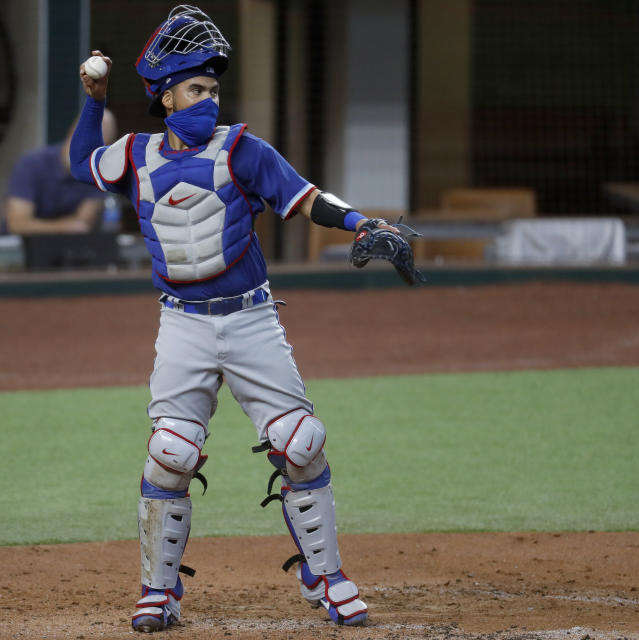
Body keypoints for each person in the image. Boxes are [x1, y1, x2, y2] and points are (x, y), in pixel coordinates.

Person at [69, 5, 409, 632]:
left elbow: (308, 197)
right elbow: (81, 163)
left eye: (214, 89)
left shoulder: (243, 150)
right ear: (165, 95)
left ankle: (325, 576)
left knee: (301, 443)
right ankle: (158, 591)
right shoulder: (135, 156)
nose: (208, 99)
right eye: (196, 88)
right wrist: (94, 98)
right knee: (170, 453)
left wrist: (365, 223)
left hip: (251, 319)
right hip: (182, 324)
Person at [0, 110, 119, 235]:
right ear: (73, 131)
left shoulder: (96, 175)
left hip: (65, 248)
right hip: (17, 249)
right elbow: (17, 224)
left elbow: (82, 224)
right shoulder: (31, 164)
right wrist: (63, 227)